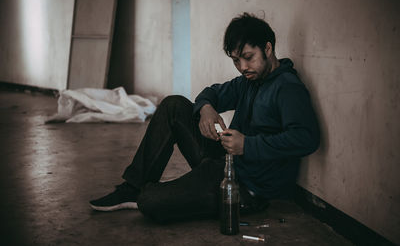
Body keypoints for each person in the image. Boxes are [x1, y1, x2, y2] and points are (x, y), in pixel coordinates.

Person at [90, 12, 320, 223]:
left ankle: (156, 192)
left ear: (268, 49)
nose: (242, 67)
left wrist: (248, 145)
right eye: (236, 60)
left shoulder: (288, 88)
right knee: (173, 105)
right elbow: (211, 93)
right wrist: (206, 109)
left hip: (247, 188)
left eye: (248, 57)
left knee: (150, 200)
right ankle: (133, 186)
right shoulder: (248, 81)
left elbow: (306, 138)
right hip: (224, 163)